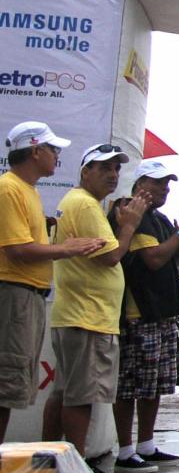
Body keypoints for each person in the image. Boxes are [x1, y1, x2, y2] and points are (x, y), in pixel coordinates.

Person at [41, 144, 149, 473]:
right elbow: (111, 256)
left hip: (76, 312)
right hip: (87, 315)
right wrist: (130, 225)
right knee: (81, 396)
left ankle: (51, 461)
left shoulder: (77, 203)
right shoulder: (85, 205)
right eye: (104, 168)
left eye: (116, 169)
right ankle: (77, 470)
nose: (113, 175)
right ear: (85, 171)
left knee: (64, 392)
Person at [0, 122, 105, 445]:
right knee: (5, 386)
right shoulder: (10, 189)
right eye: (53, 150)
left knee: (11, 386)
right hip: (14, 295)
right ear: (35, 151)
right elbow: (16, 250)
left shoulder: (25, 190)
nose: (57, 157)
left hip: (26, 296)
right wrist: (66, 248)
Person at [109, 160, 179, 473]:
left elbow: (176, 255)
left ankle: (146, 445)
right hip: (138, 313)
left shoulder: (159, 219)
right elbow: (152, 259)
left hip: (161, 314)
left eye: (167, 184)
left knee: (153, 385)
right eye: (157, 183)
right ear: (140, 185)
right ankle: (125, 450)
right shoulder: (131, 213)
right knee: (130, 385)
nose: (164, 189)